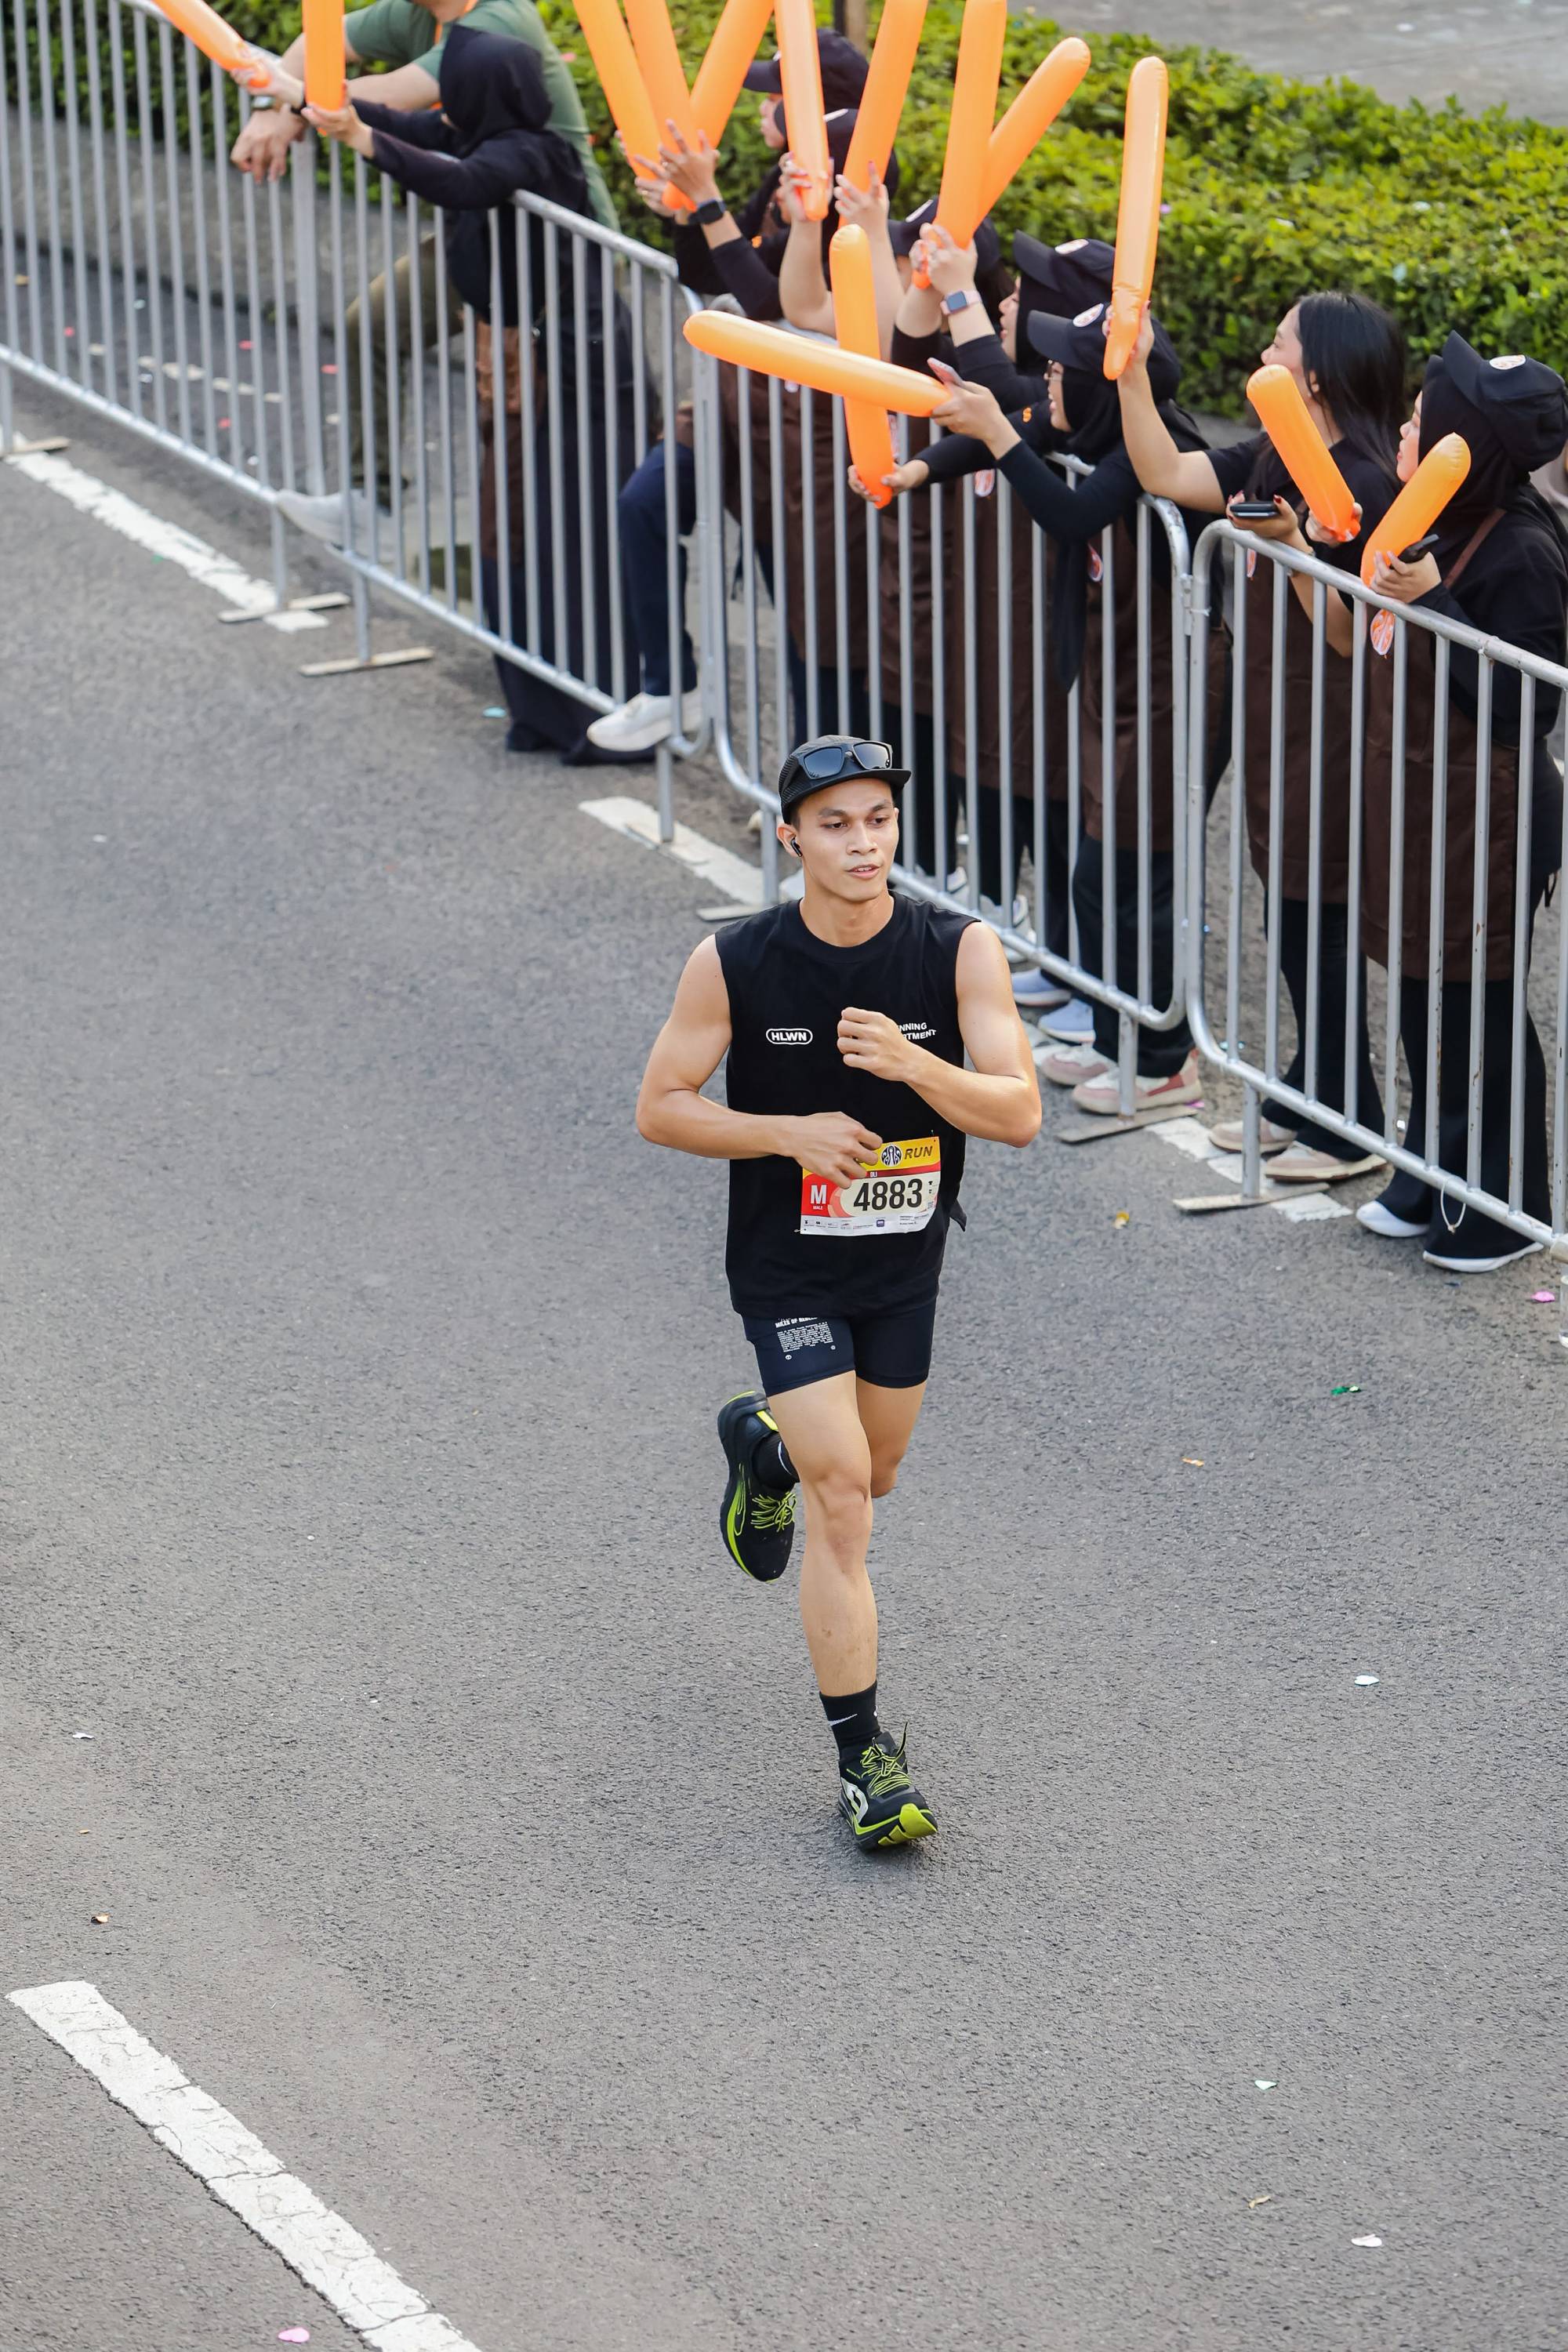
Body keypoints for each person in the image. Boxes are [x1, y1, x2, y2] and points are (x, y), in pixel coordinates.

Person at [634, 733, 1040, 1848]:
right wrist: (789, 1134)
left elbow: (1017, 1112)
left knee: (878, 1469)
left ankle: (763, 1444)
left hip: (902, 1265)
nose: (863, 844)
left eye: (878, 820)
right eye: (834, 825)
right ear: (790, 838)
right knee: (846, 1496)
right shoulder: (736, 962)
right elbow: (662, 1106)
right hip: (788, 1268)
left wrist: (915, 1065)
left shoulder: (957, 951)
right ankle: (867, 1761)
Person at [877, 303, 1217, 1115]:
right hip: (1117, 679)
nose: (1048, 378)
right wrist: (918, 470)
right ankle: (1116, 1033)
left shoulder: (1148, 445)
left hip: (1169, 690)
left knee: (1132, 876)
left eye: (1063, 368)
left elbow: (1067, 512)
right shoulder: (1083, 422)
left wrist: (998, 432)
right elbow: (1005, 429)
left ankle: (1164, 1060)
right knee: (1099, 876)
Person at [1117, 292, 1406, 1181]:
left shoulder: (1362, 482)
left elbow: (1348, 634)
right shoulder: (1275, 452)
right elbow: (1166, 473)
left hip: (1331, 730)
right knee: (1288, 908)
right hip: (1275, 721)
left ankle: (1347, 1119)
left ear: (1316, 374)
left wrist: (1301, 550)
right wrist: (1128, 369)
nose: (1263, 352)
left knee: (1317, 914)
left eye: (1279, 342)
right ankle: (1313, 1082)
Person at [305, 29, 645, 757]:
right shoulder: (480, 132)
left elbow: (461, 182)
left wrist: (362, 141)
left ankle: (591, 715)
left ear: (481, 92)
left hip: (579, 382)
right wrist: (324, 101)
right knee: (511, 535)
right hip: (536, 373)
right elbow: (412, 129)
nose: (444, 103)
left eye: (454, 87)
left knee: (566, 543)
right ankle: (541, 711)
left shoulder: (529, 153)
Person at [588, 31, 871, 757]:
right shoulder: (785, 172)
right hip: (737, 398)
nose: (758, 108)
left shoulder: (851, 173)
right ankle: (671, 686)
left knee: (806, 619)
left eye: (772, 95)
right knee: (644, 504)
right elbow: (713, 270)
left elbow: (771, 299)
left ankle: (812, 792)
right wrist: (690, 211)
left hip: (808, 426)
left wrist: (707, 201)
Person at [241, 0, 615, 540]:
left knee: (561, 418)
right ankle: (369, 499)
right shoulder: (412, 12)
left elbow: (385, 100)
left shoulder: (496, 22)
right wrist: (271, 105)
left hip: (561, 256)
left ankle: (578, 552)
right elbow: (316, 49)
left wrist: (302, 107)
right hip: (484, 239)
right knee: (372, 325)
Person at [1354, 333, 1568, 1270]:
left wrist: (1437, 603)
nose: (1405, 431)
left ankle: (1506, 1203)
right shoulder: (1433, 515)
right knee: (1417, 991)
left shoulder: (1522, 547)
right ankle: (1432, 1169)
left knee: (1479, 1005)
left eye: (1421, 422)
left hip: (1495, 818)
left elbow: (1529, 705)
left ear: (1466, 447)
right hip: (1424, 805)